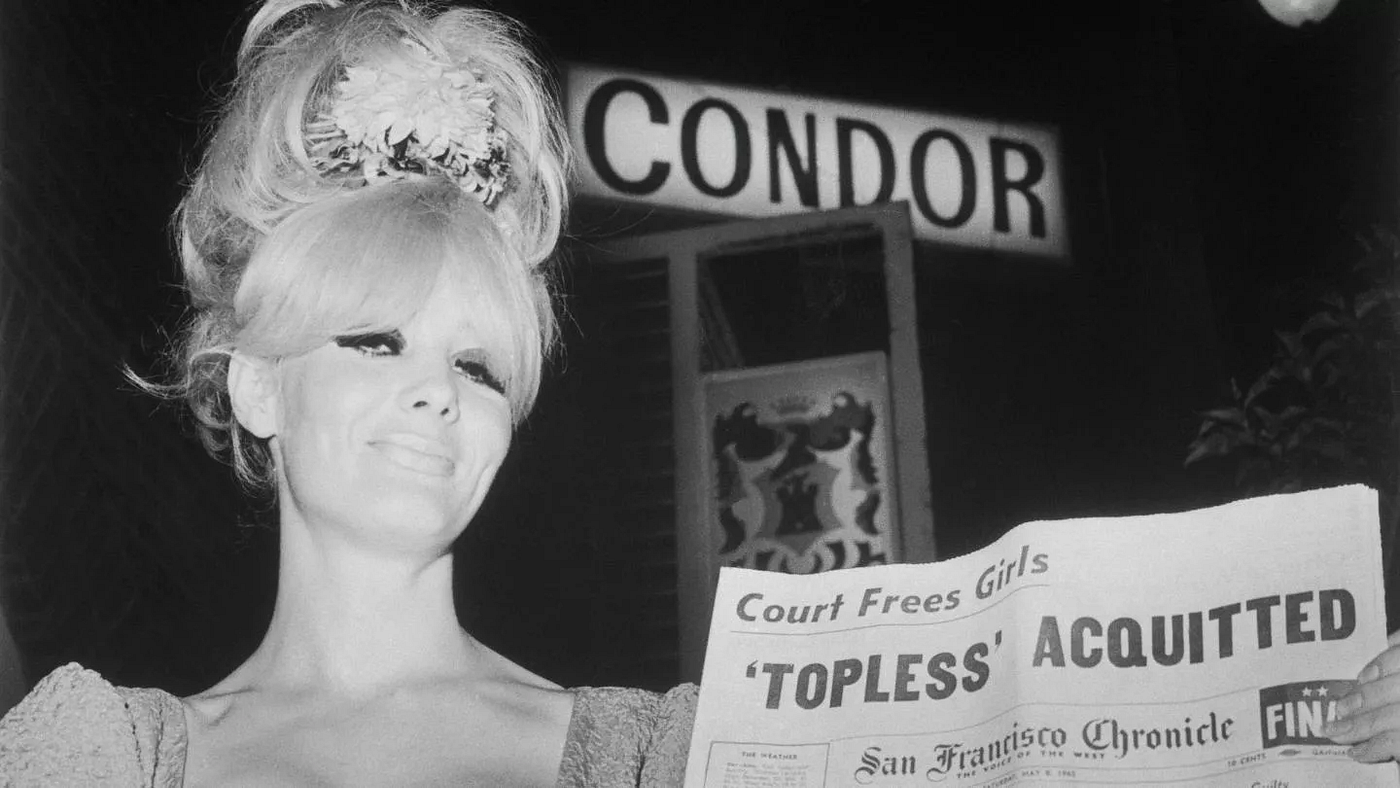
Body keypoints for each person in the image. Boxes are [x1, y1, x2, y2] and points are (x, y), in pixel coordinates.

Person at [0, 0, 693, 785]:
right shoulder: (106, 758)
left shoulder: (660, 756)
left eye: (476, 367)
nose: (438, 392)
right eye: (376, 342)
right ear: (258, 386)